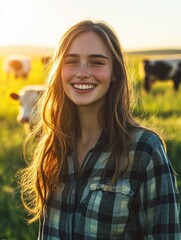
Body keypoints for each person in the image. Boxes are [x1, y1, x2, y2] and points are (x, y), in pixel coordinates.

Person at [18, 20, 181, 239]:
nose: (82, 73)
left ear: (115, 73)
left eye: (96, 62)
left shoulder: (144, 150)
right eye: (71, 61)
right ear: (59, 71)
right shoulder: (54, 143)